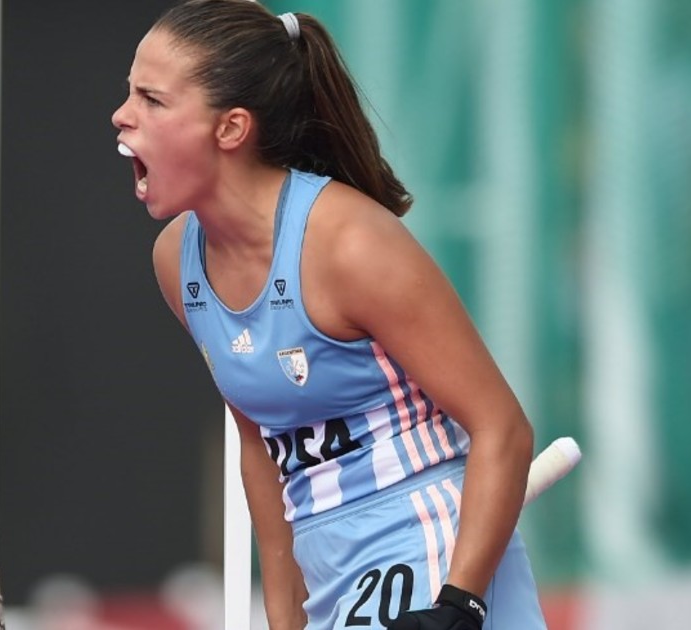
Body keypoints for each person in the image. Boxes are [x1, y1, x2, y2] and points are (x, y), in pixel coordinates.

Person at [111, 1, 546, 628]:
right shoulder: (177, 261)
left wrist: (460, 604)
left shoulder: (350, 245)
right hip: (327, 560)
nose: (122, 115)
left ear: (230, 129)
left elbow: (502, 428)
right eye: (130, 92)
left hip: (428, 545)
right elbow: (261, 446)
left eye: (152, 100)